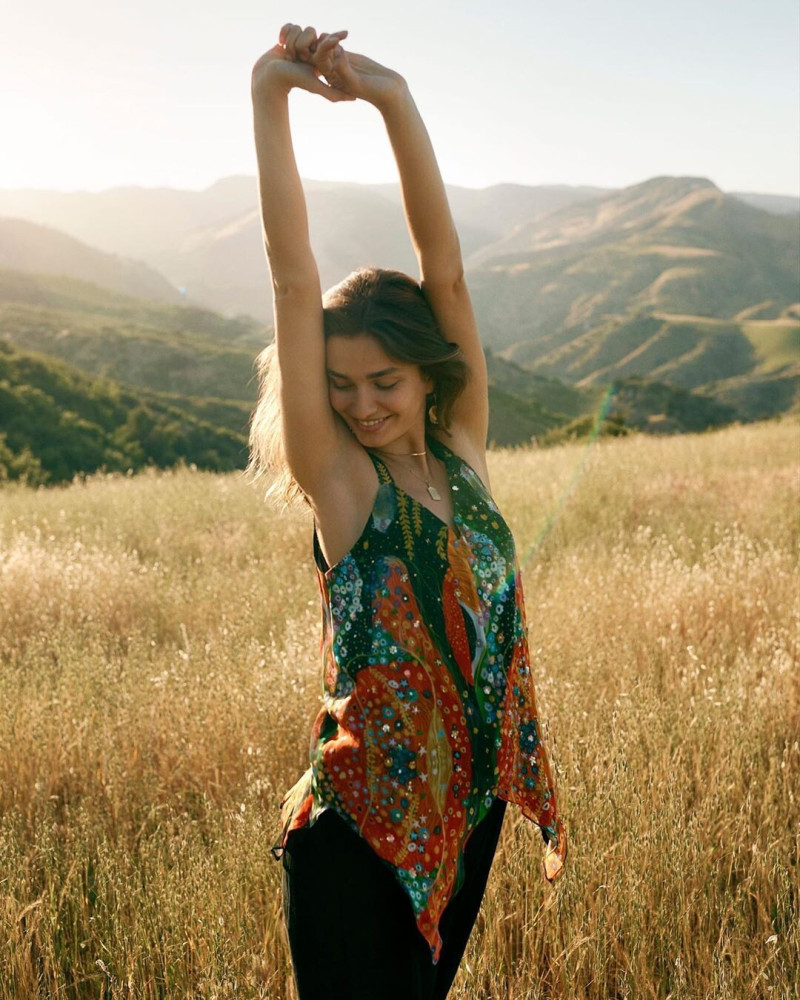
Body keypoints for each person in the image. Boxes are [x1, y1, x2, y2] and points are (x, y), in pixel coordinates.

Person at [248, 24, 567, 1000]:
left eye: (381, 379)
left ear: (428, 377)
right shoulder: (345, 488)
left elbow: (446, 265)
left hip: (467, 816)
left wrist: (389, 96)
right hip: (355, 837)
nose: (358, 403)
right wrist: (270, 94)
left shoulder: (462, 451)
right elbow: (294, 277)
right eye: (339, 384)